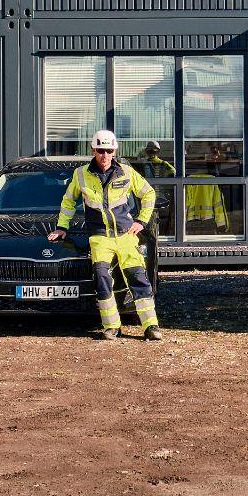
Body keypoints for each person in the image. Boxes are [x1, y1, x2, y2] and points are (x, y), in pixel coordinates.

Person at [49, 130, 163, 340]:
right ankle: (112, 326)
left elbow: (148, 193)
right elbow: (68, 201)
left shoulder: (127, 172)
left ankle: (151, 326)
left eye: (109, 150)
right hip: (100, 237)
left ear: (114, 151)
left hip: (126, 234)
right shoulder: (81, 174)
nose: (104, 155)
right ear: (93, 150)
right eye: (100, 150)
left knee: (138, 277)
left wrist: (141, 221)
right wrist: (62, 227)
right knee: (101, 277)